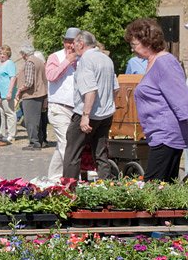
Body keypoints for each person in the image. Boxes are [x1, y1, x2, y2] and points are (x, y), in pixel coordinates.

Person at [125, 19, 188, 181]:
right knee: (163, 191)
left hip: (166, 135)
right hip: (159, 135)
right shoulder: (152, 62)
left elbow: (181, 100)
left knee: (152, 189)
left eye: (134, 44)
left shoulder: (165, 62)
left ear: (148, 41)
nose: (133, 50)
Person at [62, 31, 117, 181]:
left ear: (81, 44)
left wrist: (85, 115)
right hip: (105, 114)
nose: (72, 46)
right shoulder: (106, 59)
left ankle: (68, 191)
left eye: (74, 43)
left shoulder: (86, 60)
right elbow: (115, 88)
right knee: (101, 154)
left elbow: (90, 90)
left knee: (72, 153)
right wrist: (108, 105)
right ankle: (107, 188)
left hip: (87, 113)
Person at [45, 27, 79, 180]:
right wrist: (66, 62)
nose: (70, 46)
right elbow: (51, 76)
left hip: (76, 108)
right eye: (67, 42)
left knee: (63, 144)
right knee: (67, 144)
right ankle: (73, 180)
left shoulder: (83, 58)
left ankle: (53, 177)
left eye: (73, 42)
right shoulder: (55, 57)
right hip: (58, 106)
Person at [17, 46, 47, 151]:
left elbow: (29, 82)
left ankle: (34, 142)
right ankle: (40, 141)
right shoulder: (39, 61)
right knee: (38, 120)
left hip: (31, 95)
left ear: (24, 54)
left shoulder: (30, 63)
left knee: (31, 121)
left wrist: (20, 90)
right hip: (40, 93)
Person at [0, 45, 17, 145]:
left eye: (4, 54)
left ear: (8, 55)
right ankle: (2, 133)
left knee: (10, 113)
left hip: (7, 92)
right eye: (0, 54)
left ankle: (11, 134)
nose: (2, 56)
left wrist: (10, 92)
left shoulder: (10, 63)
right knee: (1, 114)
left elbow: (13, 78)